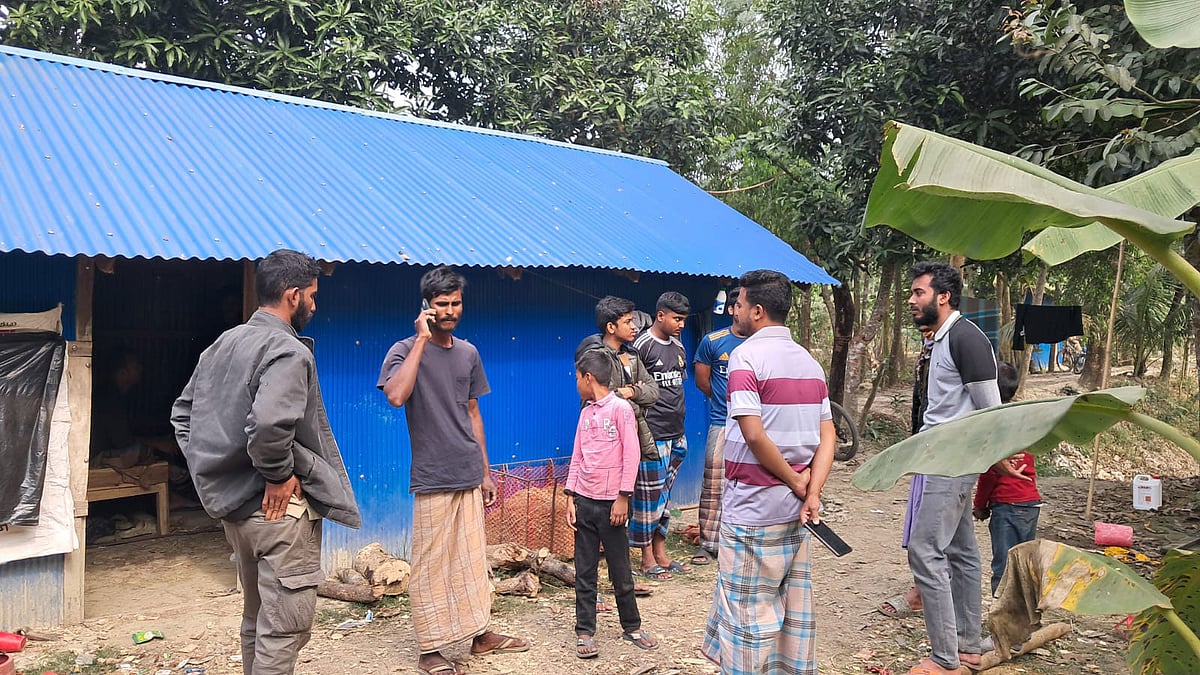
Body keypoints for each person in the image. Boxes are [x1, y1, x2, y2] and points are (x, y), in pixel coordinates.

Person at [171, 249, 361, 675]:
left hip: (237, 513)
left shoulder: (223, 344)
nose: (315, 304)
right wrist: (277, 475)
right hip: (278, 514)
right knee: (283, 631)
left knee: (257, 623)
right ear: (293, 295)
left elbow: (183, 416)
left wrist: (212, 470)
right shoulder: (287, 350)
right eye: (312, 295)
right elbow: (270, 424)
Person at [377, 266, 529, 675]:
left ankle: (480, 634)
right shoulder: (403, 350)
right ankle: (430, 649)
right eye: (441, 304)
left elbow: (473, 412)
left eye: (455, 303)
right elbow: (395, 396)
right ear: (426, 306)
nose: (449, 310)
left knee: (471, 559)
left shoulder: (468, 353)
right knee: (431, 564)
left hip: (468, 471)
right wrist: (421, 341)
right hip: (432, 475)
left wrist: (485, 470)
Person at [702, 270, 836, 675]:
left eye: (739, 304)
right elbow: (828, 434)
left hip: (752, 511)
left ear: (757, 311)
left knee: (745, 617)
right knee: (792, 612)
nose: (734, 311)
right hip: (796, 513)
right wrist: (812, 491)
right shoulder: (810, 363)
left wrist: (795, 481)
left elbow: (753, 433)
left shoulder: (746, 357)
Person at [903, 261, 1027, 675]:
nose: (912, 300)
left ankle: (944, 657)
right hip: (938, 458)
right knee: (962, 553)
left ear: (943, 297)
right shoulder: (939, 339)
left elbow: (990, 409)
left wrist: (997, 457)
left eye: (919, 292)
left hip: (952, 461)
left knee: (924, 550)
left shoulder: (966, 338)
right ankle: (968, 646)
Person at [564, 350, 659, 660]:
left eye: (577, 378)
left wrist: (623, 497)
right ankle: (584, 631)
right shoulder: (585, 413)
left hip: (613, 505)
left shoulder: (621, 409)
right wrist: (570, 497)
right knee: (585, 570)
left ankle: (632, 626)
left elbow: (632, 455)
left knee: (620, 569)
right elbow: (577, 455)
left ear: (588, 378)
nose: (576, 383)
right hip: (585, 501)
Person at [574, 296, 661, 602]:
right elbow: (601, 398)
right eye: (627, 321)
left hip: (631, 441)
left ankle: (621, 579)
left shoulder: (633, 354)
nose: (634, 326)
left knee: (622, 513)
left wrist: (631, 391)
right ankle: (596, 589)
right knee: (598, 520)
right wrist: (627, 396)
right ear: (611, 327)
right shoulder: (595, 356)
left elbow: (653, 391)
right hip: (604, 448)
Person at [632, 291, 692, 580]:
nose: (681, 324)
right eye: (677, 319)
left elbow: (678, 387)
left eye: (684, 319)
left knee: (665, 497)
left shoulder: (679, 347)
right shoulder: (642, 345)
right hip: (652, 435)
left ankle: (661, 553)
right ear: (660, 316)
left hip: (677, 433)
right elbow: (633, 390)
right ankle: (646, 560)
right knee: (648, 497)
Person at [974, 361, 1041, 596]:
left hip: (1007, 506)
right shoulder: (1022, 422)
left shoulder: (994, 426)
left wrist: (979, 506)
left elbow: (990, 473)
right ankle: (1026, 606)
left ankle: (1002, 609)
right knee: (1024, 561)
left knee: (1003, 564)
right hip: (1031, 504)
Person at [692, 287, 747, 565]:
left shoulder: (761, 344)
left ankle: (741, 540)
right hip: (722, 422)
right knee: (714, 484)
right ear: (731, 309)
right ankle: (708, 544)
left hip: (759, 426)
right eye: (739, 305)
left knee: (751, 483)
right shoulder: (713, 341)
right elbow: (703, 382)